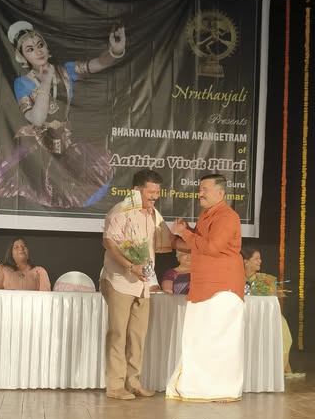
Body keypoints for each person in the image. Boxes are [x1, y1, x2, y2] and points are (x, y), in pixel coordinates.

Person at [0, 20, 126, 209]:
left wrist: (115, 51)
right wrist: (46, 81)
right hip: (36, 146)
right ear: (23, 56)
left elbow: (96, 64)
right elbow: (37, 119)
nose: (38, 51)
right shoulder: (22, 83)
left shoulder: (65, 71)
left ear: (47, 47)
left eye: (40, 45)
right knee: (36, 185)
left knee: (91, 179)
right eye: (30, 49)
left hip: (63, 142)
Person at [166, 173, 245, 402]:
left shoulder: (227, 217)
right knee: (200, 339)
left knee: (221, 340)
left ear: (220, 193)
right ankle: (201, 388)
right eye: (200, 189)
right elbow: (199, 244)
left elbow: (211, 247)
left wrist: (184, 233)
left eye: (204, 189)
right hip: (204, 286)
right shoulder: (207, 214)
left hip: (222, 289)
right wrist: (183, 233)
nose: (200, 193)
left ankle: (225, 390)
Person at [100, 169, 173, 400]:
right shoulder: (120, 211)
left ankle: (133, 382)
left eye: (157, 192)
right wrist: (130, 266)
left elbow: (165, 241)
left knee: (137, 335)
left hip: (144, 284)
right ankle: (115, 386)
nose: (155, 196)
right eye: (150, 192)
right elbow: (109, 242)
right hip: (120, 281)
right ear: (136, 190)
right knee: (118, 334)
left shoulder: (153, 214)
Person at [242, 246, 303, 378]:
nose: (260, 261)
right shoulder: (235, 278)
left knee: (284, 333)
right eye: (256, 259)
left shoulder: (266, 279)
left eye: (260, 258)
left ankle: (275, 371)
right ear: (246, 261)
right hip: (244, 317)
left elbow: (275, 299)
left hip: (265, 317)